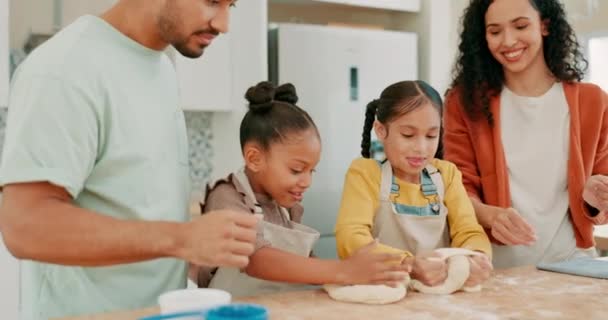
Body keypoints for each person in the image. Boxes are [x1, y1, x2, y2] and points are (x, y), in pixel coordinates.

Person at [0, 1, 258, 319]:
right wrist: (182, 239)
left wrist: (193, 247)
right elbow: (25, 226)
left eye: (230, 4)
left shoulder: (160, 66)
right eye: (212, 1)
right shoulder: (65, 69)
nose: (224, 23)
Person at [191, 81, 410, 297]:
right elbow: (254, 259)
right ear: (254, 158)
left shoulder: (287, 206)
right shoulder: (227, 197)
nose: (306, 181)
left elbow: (304, 263)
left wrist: (352, 276)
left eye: (311, 171)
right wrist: (344, 271)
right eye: (296, 170)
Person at [443, 0, 608, 269]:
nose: (508, 41)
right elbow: (456, 186)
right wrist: (488, 216)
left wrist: (595, 196)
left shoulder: (593, 101)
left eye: (520, 26)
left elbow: (601, 204)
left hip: (572, 266)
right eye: (495, 31)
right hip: (493, 267)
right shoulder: (464, 102)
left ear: (544, 25)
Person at [335, 80, 492, 288]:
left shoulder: (447, 175)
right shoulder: (365, 174)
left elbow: (469, 231)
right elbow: (351, 238)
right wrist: (408, 264)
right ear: (381, 130)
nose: (421, 147)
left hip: (438, 297)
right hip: (384, 290)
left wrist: (476, 256)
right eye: (408, 135)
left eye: (431, 135)